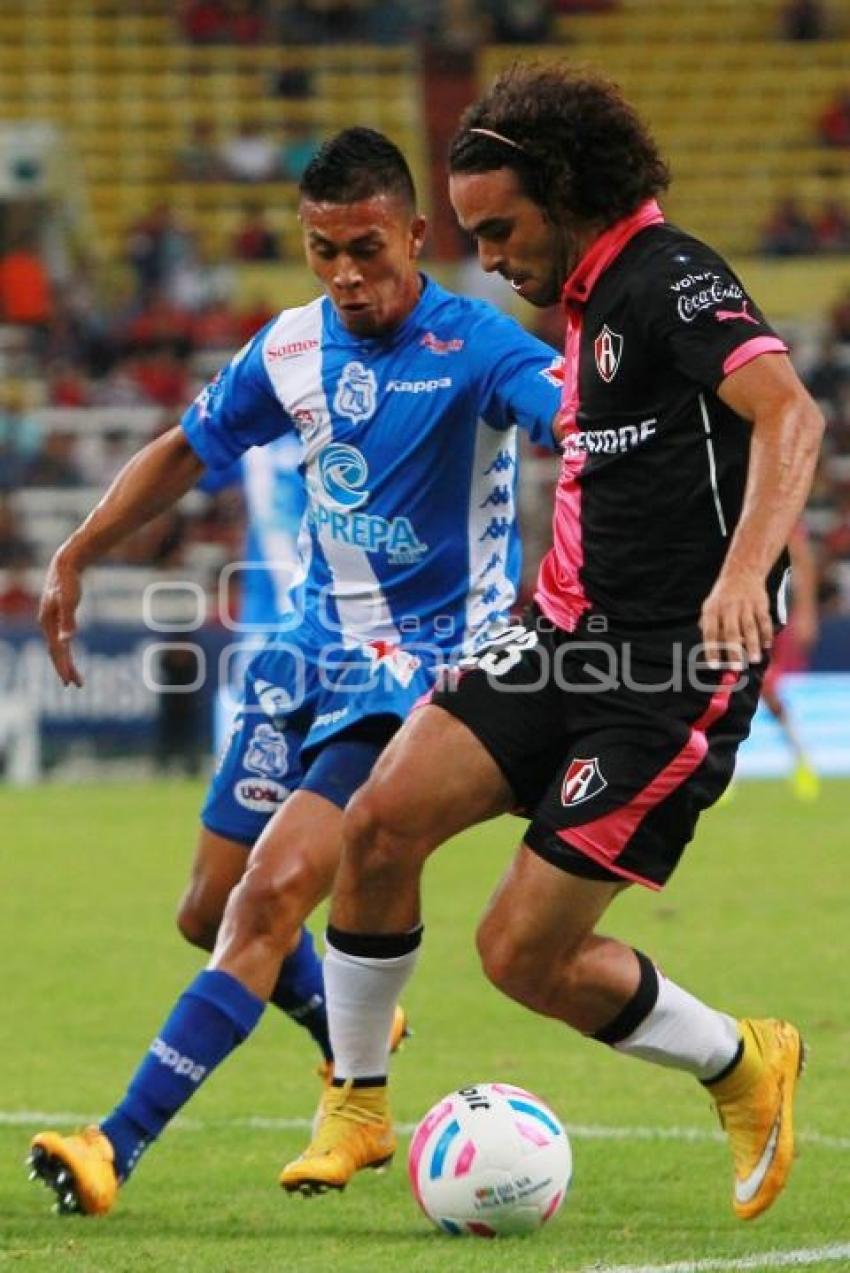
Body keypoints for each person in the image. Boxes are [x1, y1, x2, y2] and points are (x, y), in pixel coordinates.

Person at [280, 65, 825, 1224]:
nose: (485, 256)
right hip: (557, 631)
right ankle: (359, 1102)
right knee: (378, 824)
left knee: (520, 953)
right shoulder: (579, 295)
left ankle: (740, 1060)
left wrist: (744, 574)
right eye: (472, 232)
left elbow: (791, 414)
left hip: (667, 675)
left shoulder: (672, 280)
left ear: (566, 192)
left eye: (499, 229)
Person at [27, 127, 563, 1216]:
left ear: (416, 233)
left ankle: (111, 1146)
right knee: (207, 906)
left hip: (415, 677)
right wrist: (78, 550)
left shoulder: (482, 347)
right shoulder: (289, 350)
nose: (349, 275)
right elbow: (187, 445)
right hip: (306, 656)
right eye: (324, 252)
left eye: (367, 247)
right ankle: (352, 1022)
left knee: (269, 899)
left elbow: (578, 424)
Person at [760, 523, 820, 799]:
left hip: (771, 613)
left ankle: (802, 761)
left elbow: (802, 559)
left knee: (766, 689)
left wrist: (806, 611)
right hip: (741, 605)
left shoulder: (778, 507)